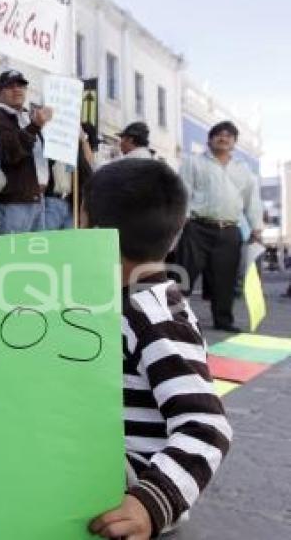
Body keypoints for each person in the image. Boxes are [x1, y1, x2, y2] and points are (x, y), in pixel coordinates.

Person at [83, 159, 231, 540]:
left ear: (90, 229)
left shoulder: (152, 315)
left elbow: (206, 426)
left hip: (130, 497)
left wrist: (149, 503)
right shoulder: (124, 303)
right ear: (178, 231)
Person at [172, 121, 263, 332]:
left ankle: (223, 321)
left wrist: (256, 228)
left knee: (225, 279)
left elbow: (252, 200)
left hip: (230, 230)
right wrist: (179, 222)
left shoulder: (243, 170)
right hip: (197, 228)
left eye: (229, 136)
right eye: (219, 135)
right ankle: (173, 318)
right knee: (183, 274)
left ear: (234, 142)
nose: (224, 138)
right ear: (210, 139)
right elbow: (183, 191)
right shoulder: (193, 162)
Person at [0, 69, 54, 234]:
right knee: (12, 257)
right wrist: (34, 126)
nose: (17, 89)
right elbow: (9, 153)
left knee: (35, 257)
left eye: (21, 86)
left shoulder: (28, 117)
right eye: (10, 86)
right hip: (12, 202)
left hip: (37, 199)